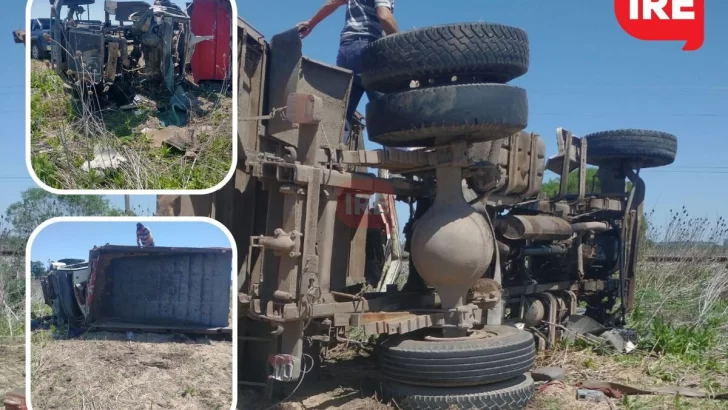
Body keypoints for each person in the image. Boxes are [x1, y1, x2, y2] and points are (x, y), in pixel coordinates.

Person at [297, 0, 399, 138]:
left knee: (341, 115)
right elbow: (384, 15)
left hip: (346, 51)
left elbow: (332, 3)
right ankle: (401, 152)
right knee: (388, 107)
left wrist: (311, 23)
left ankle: (330, 153)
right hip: (369, 49)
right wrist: (401, 43)